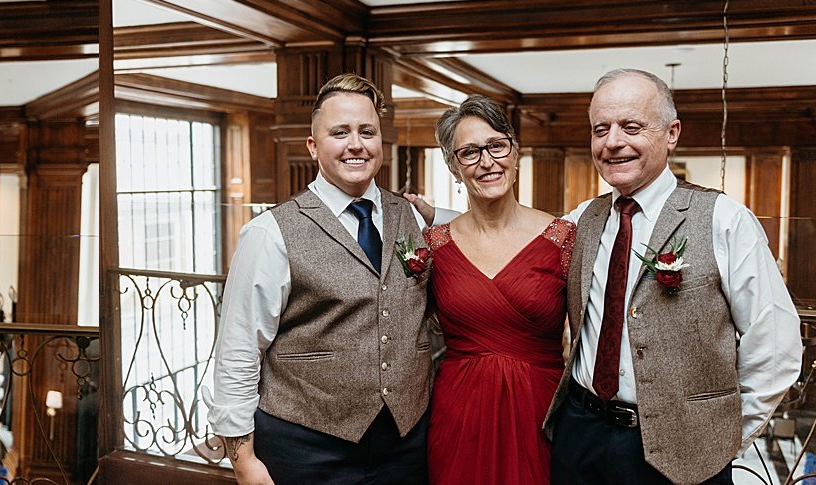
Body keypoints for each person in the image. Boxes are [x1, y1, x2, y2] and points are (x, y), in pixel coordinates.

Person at [546, 68, 802, 484]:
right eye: (600, 129)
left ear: (671, 133)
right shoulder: (582, 219)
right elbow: (510, 240)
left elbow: (776, 346)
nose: (613, 142)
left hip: (686, 451)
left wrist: (719, 439)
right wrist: (433, 218)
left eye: (631, 127)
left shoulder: (724, 219)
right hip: (580, 435)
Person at [206, 73, 454, 484]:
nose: (355, 144)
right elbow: (238, 350)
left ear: (380, 142)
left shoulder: (409, 216)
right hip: (306, 446)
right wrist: (244, 462)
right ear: (313, 146)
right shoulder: (270, 232)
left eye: (366, 131)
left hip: (405, 443)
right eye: (340, 132)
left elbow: (483, 229)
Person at [421, 95, 573, 484]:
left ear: (515, 152)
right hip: (458, 415)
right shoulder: (433, 244)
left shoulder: (562, 238)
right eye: (469, 153)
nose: (486, 162)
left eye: (496, 146)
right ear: (454, 168)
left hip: (540, 414)